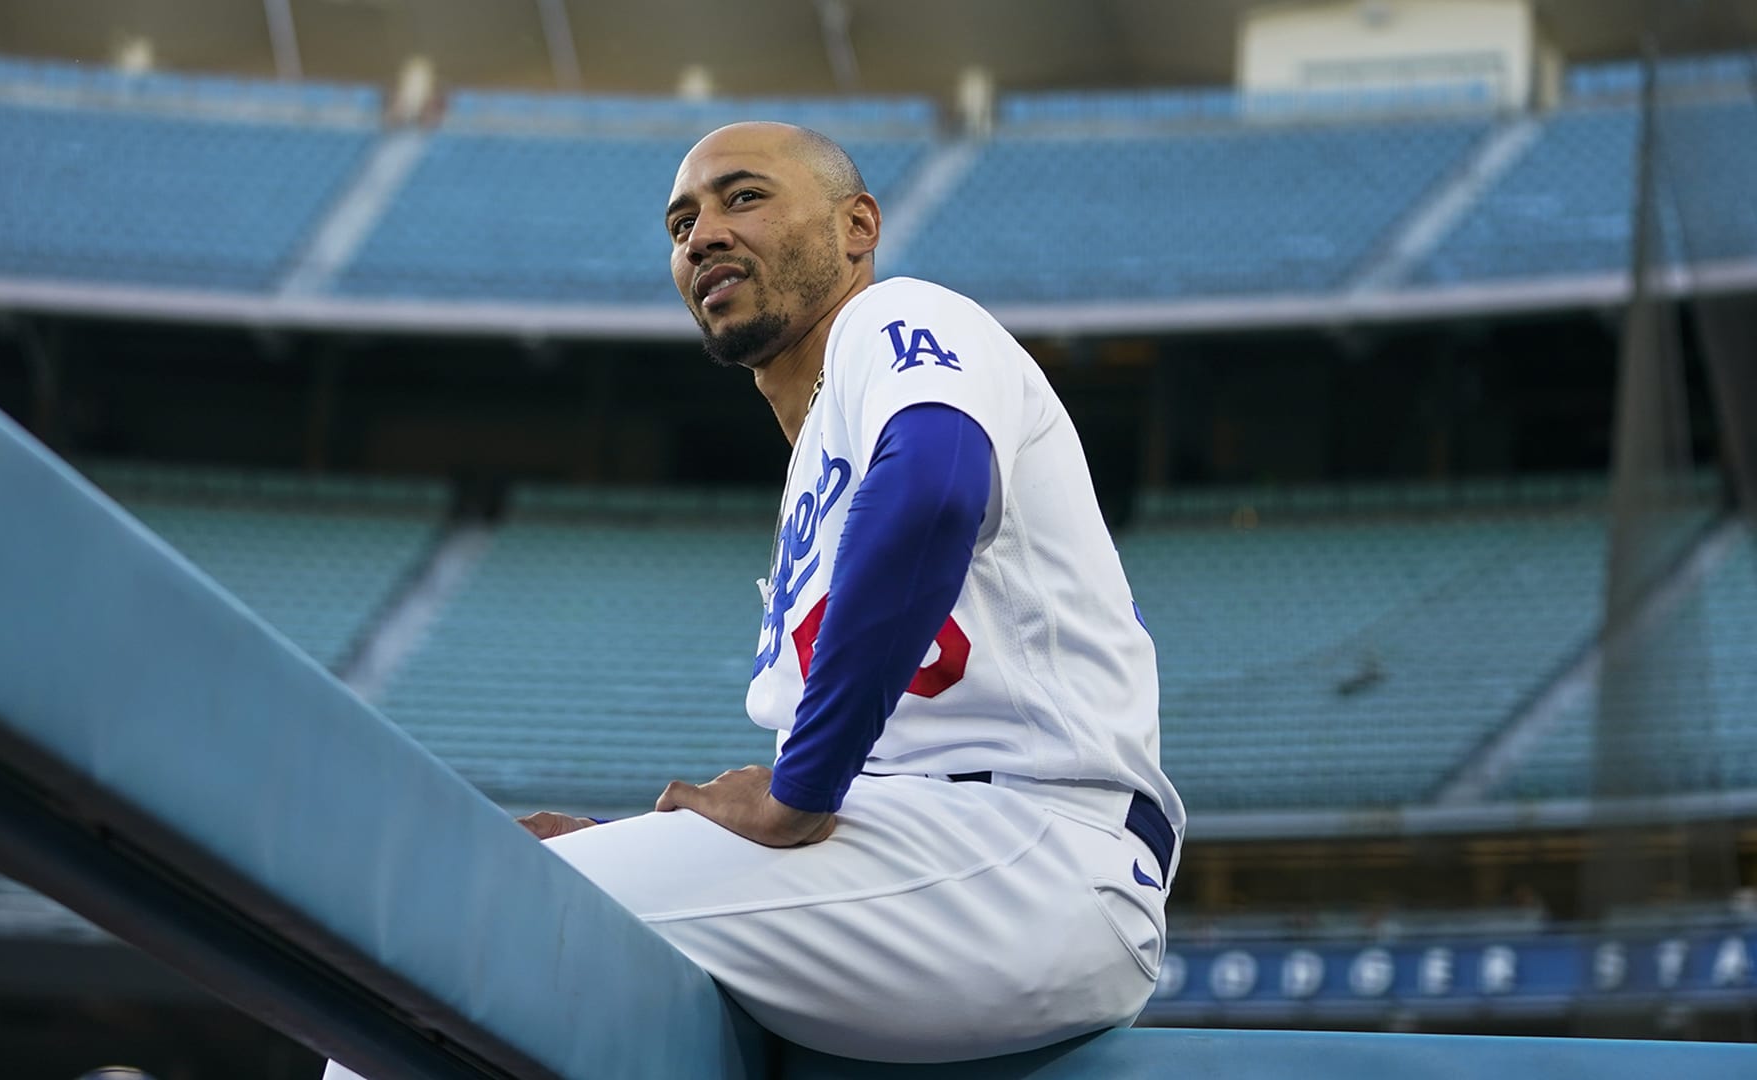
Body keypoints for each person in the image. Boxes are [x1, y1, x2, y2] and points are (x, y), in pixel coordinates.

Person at [328, 121, 1181, 1074]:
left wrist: (795, 790)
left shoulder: (898, 317)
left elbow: (936, 486)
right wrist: (631, 846)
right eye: (681, 221)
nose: (702, 235)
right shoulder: (814, 477)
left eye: (744, 197)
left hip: (1024, 853)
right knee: (559, 946)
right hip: (949, 867)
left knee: (446, 928)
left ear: (858, 225)